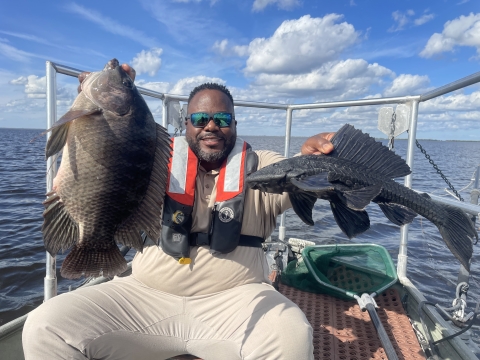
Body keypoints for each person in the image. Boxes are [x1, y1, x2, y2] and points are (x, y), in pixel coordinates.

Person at [22, 63, 335, 360]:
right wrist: (101, 93)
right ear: (185, 124)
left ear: (235, 125)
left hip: (236, 302)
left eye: (222, 120)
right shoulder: (159, 160)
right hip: (143, 297)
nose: (211, 127)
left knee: (292, 334)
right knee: (44, 326)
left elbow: (294, 175)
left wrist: (308, 160)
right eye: (199, 119)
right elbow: (112, 149)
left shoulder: (260, 163)